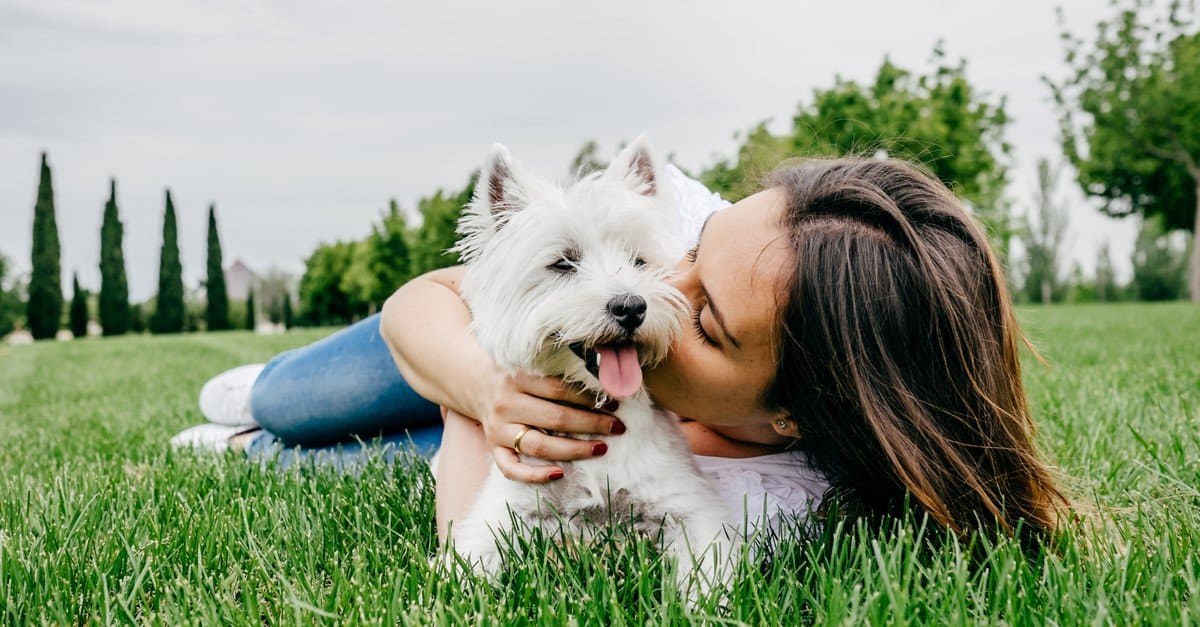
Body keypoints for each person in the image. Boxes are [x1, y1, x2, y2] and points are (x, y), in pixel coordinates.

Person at [174, 157, 1069, 548]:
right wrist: (484, 388)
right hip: (459, 346)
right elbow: (429, 301)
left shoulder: (770, 503)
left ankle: (249, 447)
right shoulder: (656, 233)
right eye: (696, 249)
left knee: (324, 465)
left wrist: (483, 435)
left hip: (513, 436)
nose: (661, 290)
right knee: (298, 403)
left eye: (708, 319)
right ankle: (266, 393)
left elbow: (471, 534)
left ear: (792, 410)